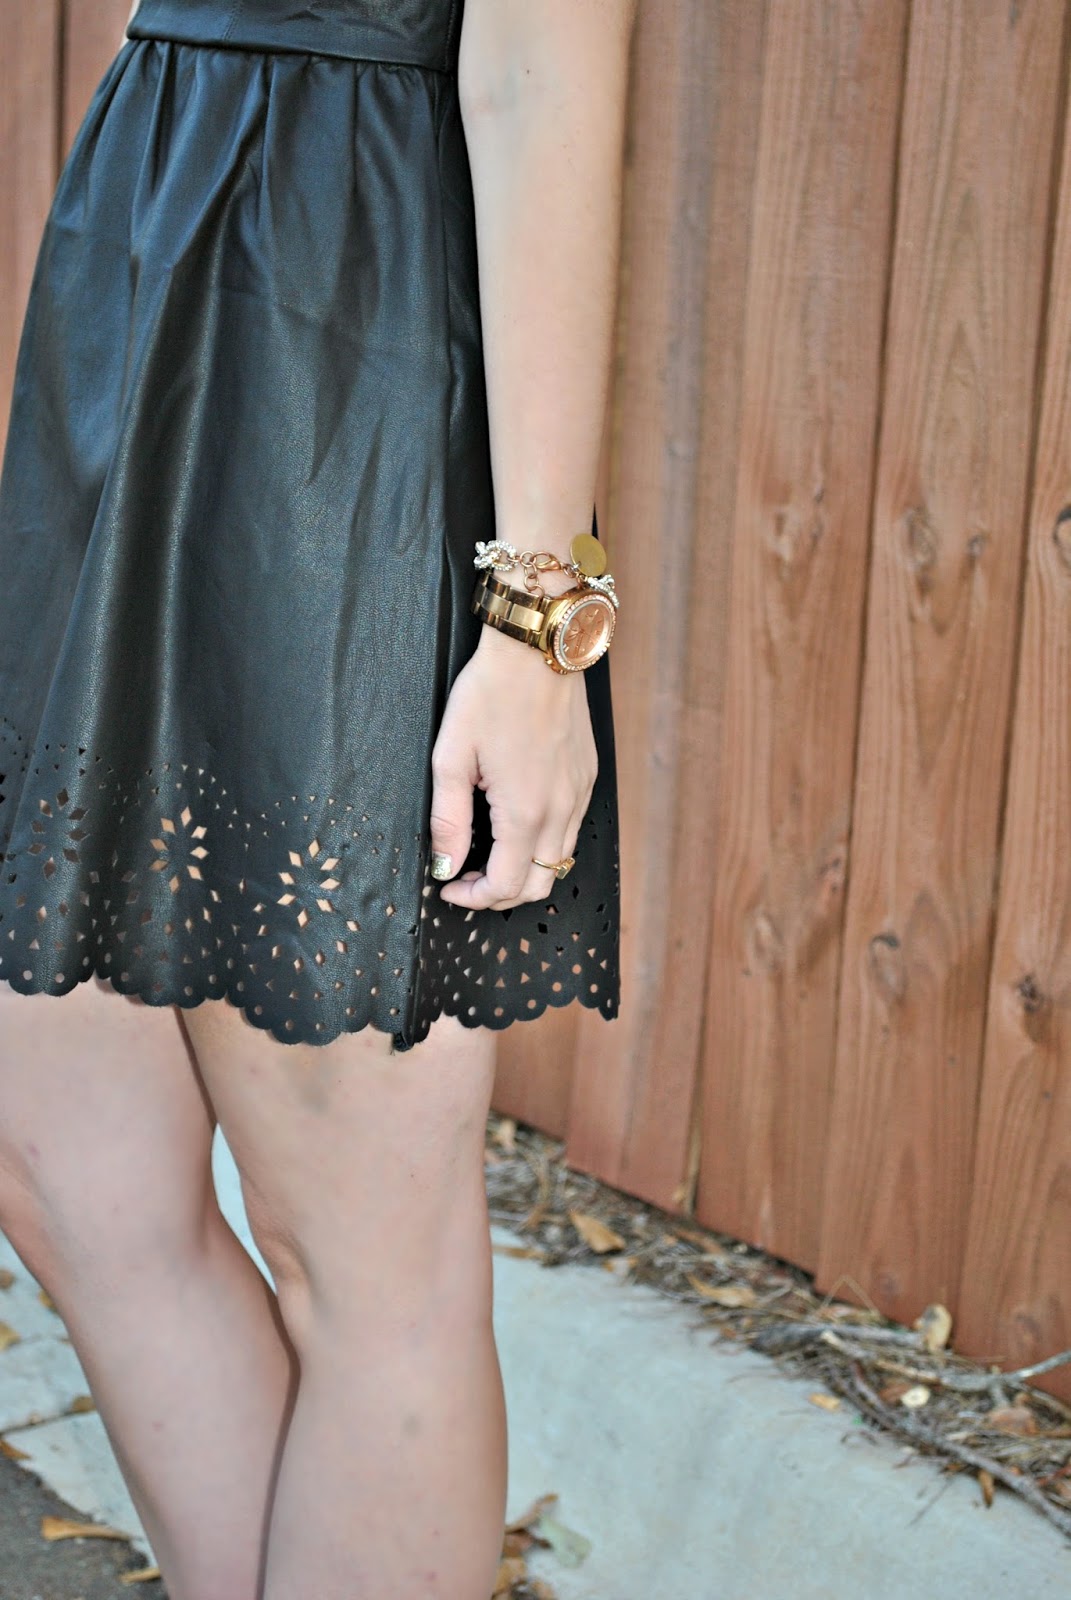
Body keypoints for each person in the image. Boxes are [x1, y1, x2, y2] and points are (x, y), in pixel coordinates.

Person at [0, 1, 637, 1595]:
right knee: (63, 1154)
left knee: (363, 1254)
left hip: (339, 375)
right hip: (144, 284)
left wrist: (536, 630)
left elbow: (540, 73)